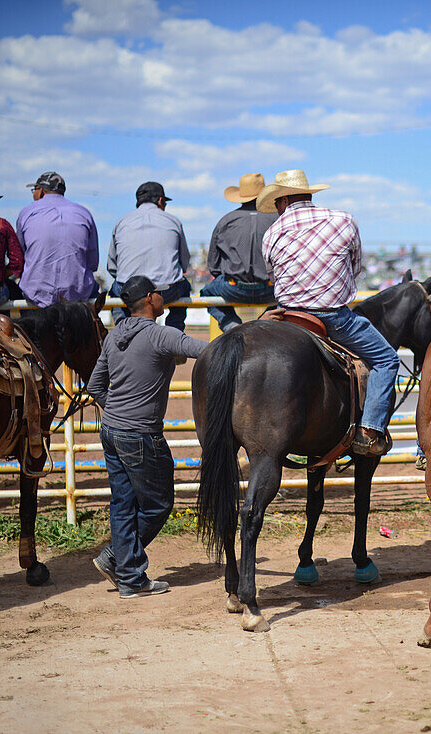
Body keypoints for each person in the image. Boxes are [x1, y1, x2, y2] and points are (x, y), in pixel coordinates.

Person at [258, 169, 398, 456]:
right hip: (333, 317)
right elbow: (356, 267)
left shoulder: (272, 232)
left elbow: (272, 274)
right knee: (387, 361)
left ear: (283, 200)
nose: (276, 209)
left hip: (290, 318)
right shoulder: (344, 220)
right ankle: (369, 430)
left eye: (276, 204)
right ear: (308, 195)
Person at [87, 275, 208, 598]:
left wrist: (117, 411)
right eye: (159, 293)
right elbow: (206, 350)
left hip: (111, 430)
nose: (163, 298)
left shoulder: (114, 338)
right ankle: (120, 561)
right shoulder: (161, 335)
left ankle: (129, 576)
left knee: (123, 503)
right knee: (158, 504)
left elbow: (95, 385)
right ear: (151, 299)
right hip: (140, 434)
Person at [107, 182, 190, 330]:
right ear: (160, 201)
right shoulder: (173, 221)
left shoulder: (122, 222)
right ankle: (174, 333)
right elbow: (184, 264)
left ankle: (123, 328)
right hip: (165, 291)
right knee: (184, 285)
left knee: (115, 288)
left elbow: (112, 268)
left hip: (131, 291)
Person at [200, 173, 278, 330]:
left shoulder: (226, 221)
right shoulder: (277, 219)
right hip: (271, 289)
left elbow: (213, 266)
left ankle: (233, 327)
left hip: (234, 287)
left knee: (206, 292)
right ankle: (265, 323)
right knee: (292, 294)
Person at [15, 171, 99, 307]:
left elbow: (20, 255)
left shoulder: (27, 212)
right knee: (94, 287)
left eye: (34, 190)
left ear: (41, 191)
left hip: (36, 294)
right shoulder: (84, 213)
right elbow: (92, 263)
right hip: (76, 294)